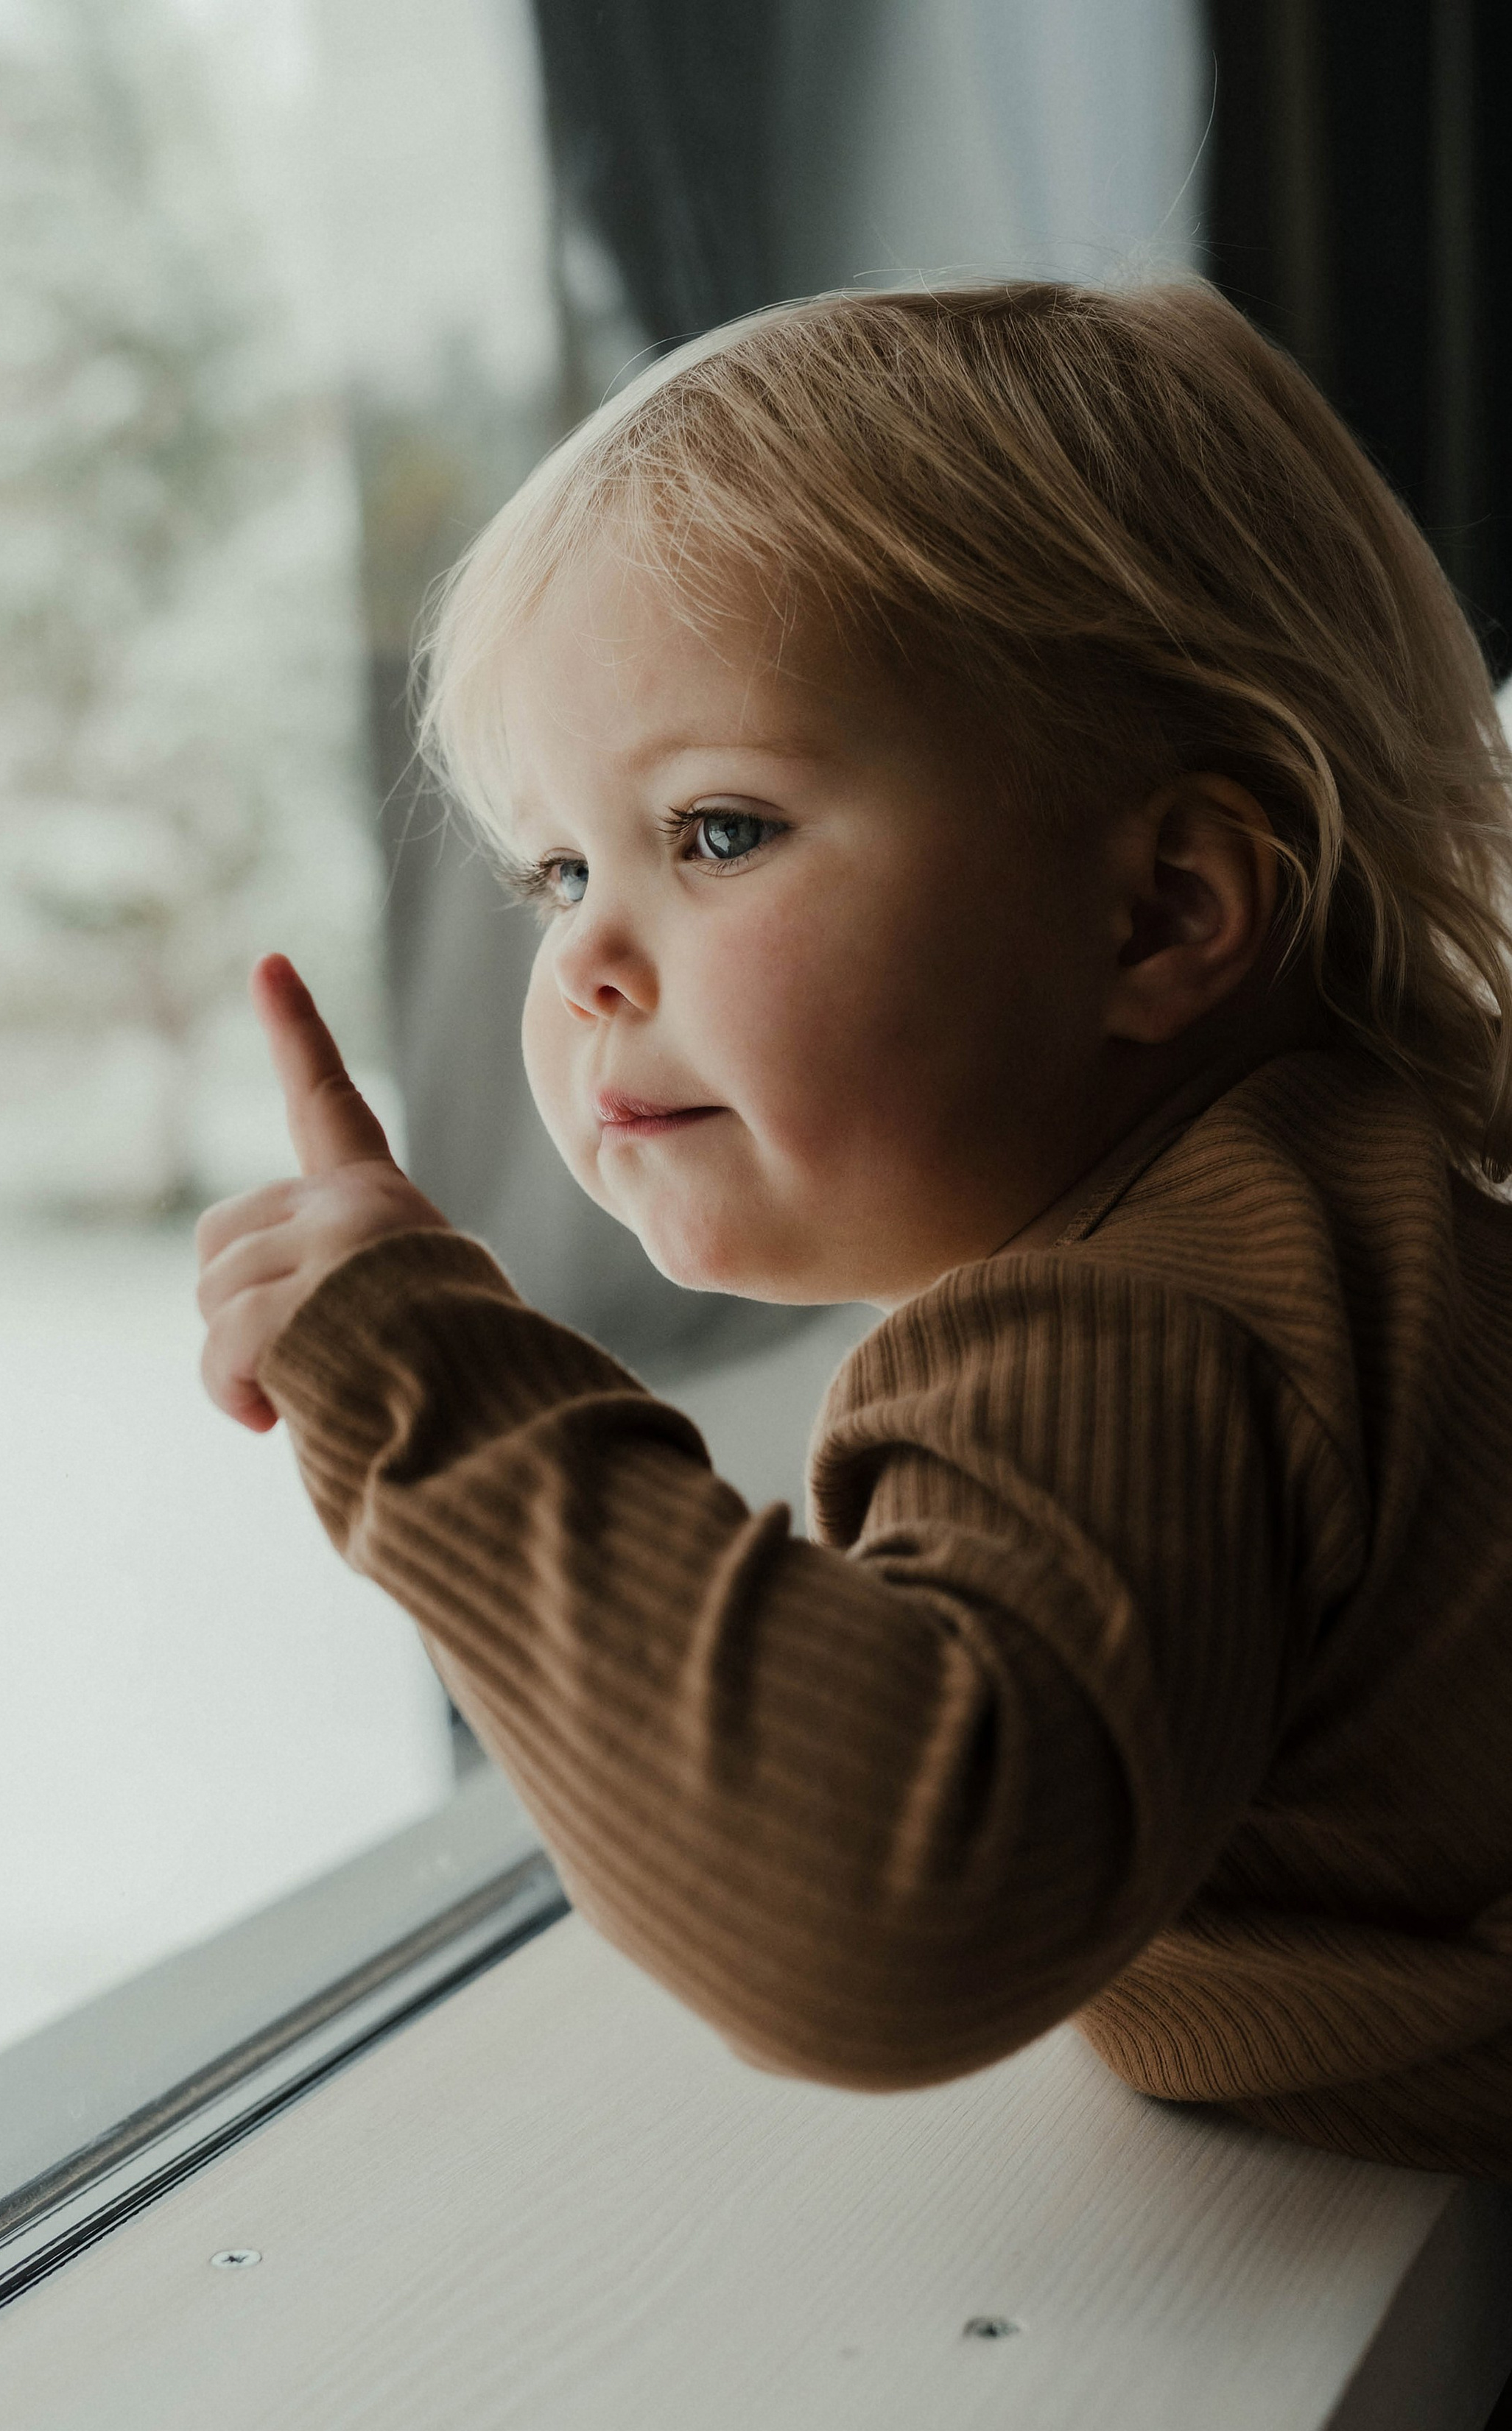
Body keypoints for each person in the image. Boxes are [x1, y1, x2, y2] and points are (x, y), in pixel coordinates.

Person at [195, 281, 1512, 2176]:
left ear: (1157, 913)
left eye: (713, 832)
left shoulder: (1145, 1329)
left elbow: (882, 1924)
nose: (578, 959)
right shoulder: (1350, 1200)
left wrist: (434, 1403)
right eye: (558, 867)